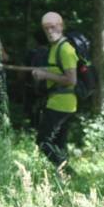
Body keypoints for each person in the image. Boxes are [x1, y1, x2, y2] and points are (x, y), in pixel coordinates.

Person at [32, 11, 77, 171]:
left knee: (43, 141)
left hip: (61, 103)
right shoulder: (55, 47)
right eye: (46, 28)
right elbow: (58, 71)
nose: (50, 31)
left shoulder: (65, 49)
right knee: (59, 143)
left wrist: (45, 74)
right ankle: (64, 178)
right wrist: (46, 71)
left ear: (61, 26)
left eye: (52, 27)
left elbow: (71, 79)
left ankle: (68, 172)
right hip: (60, 101)